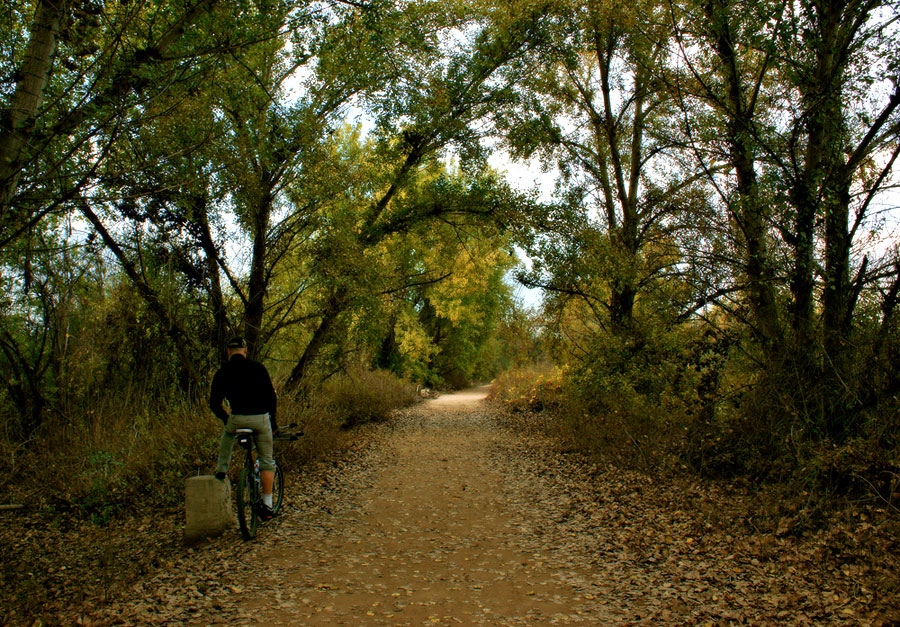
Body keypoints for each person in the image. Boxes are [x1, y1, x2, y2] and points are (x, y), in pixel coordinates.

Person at [209, 336, 279, 520]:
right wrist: (273, 421)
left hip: (237, 418)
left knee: (227, 436)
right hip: (260, 419)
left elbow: (214, 403)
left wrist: (226, 418)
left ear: (228, 351)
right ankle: (267, 504)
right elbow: (271, 398)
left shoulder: (223, 372)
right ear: (245, 351)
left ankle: (222, 469)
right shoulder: (258, 368)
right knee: (266, 460)